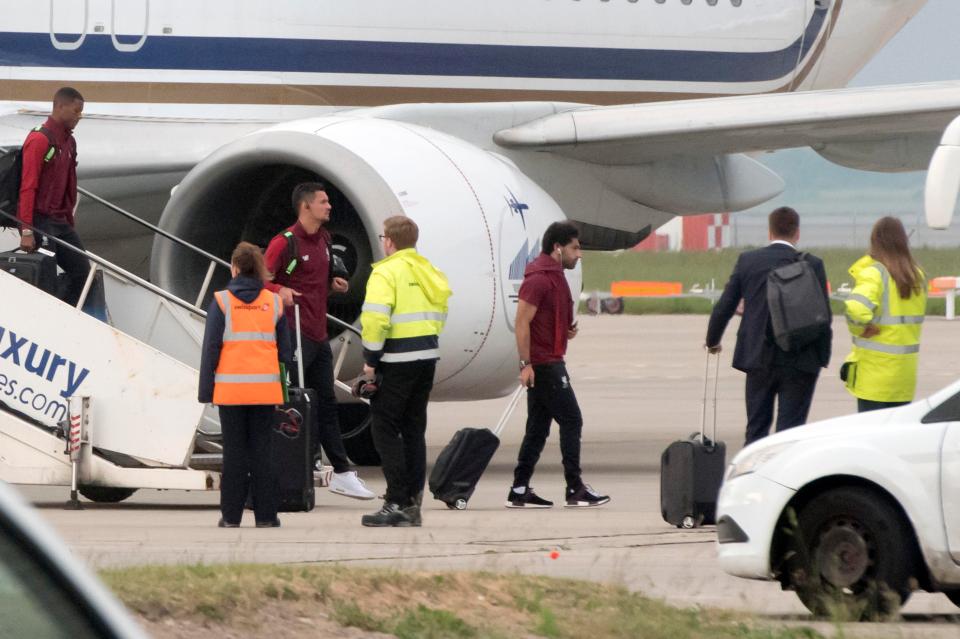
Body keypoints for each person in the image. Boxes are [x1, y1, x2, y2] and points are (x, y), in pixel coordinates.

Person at [263, 182, 375, 501]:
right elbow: (254, 281)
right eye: (323, 202)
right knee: (294, 402)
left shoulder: (325, 239)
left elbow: (313, 280)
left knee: (326, 403)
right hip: (292, 334)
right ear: (306, 207)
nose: (329, 206)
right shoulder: (283, 243)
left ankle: (342, 472)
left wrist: (333, 284)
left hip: (318, 334)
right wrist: (277, 292)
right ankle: (294, 469)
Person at [705, 206, 832, 446]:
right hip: (801, 360)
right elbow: (824, 316)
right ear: (797, 233)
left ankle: (753, 479)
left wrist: (713, 341)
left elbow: (724, 306)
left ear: (770, 232)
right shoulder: (813, 264)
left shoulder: (748, 261)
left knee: (756, 430)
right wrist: (821, 358)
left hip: (758, 357)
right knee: (790, 433)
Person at [507, 221, 609, 509]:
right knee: (572, 420)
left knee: (537, 429)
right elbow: (521, 322)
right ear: (557, 248)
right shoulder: (539, 279)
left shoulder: (556, 276)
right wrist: (525, 364)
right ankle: (574, 488)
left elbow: (547, 319)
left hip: (549, 360)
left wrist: (565, 331)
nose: (580, 254)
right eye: (575, 248)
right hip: (545, 365)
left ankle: (519, 489)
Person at [359, 215, 451, 527]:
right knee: (414, 430)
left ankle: (395, 500)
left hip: (397, 359)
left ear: (389, 241)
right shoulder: (428, 270)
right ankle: (413, 503)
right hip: (427, 356)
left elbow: (375, 319)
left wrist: (371, 358)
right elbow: (442, 310)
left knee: (384, 428)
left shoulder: (386, 272)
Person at [198, 242, 292, 528]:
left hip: (231, 391)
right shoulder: (274, 303)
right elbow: (285, 353)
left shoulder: (223, 301)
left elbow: (211, 348)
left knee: (235, 455)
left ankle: (230, 517)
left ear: (235, 268)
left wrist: (206, 390)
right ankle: (266, 516)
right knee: (263, 453)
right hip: (265, 391)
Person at [17, 87, 92, 307]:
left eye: (81, 113)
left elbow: (70, 185)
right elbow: (27, 187)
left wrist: (69, 221)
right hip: (40, 220)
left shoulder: (70, 143)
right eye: (76, 111)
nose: (79, 117)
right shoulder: (39, 139)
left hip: (60, 222)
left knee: (83, 272)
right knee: (46, 274)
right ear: (60, 106)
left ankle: (64, 311)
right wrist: (27, 230)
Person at [843, 216, 926, 412]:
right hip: (904, 375)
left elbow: (855, 308)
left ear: (875, 240)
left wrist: (861, 328)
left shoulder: (875, 273)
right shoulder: (917, 276)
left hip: (874, 376)